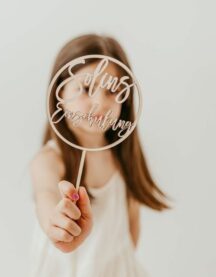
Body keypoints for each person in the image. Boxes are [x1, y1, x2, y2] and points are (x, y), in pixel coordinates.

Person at [28, 33, 171, 277]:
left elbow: (131, 227)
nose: (99, 102)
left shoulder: (123, 158)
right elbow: (46, 196)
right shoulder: (50, 160)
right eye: (85, 88)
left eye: (112, 92)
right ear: (59, 94)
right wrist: (57, 222)